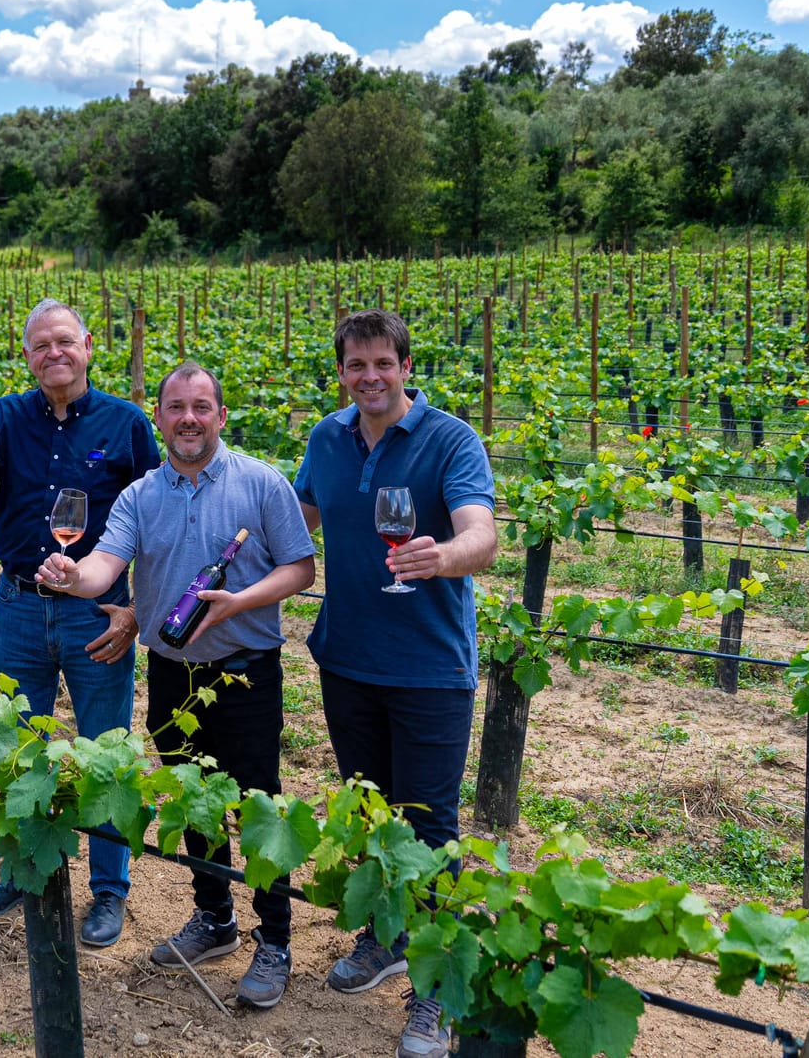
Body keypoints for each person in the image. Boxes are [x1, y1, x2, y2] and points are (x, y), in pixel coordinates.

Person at [36, 363, 315, 1008]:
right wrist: (72, 576)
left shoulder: (261, 483)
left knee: (257, 805)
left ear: (220, 416)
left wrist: (240, 601)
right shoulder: (140, 496)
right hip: (170, 673)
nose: (188, 418)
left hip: (245, 673)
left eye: (200, 407)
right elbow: (106, 564)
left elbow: (300, 568)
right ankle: (215, 919)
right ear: (158, 419)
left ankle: (274, 939)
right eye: (175, 408)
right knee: (192, 799)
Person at [293, 310, 496, 1058]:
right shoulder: (326, 438)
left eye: (383, 363)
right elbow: (297, 515)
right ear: (342, 371)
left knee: (432, 829)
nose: (369, 377)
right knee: (374, 817)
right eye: (356, 365)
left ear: (406, 366)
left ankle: (436, 991)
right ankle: (387, 938)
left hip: (430, 670)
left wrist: (442, 556)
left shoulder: (449, 439)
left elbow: (484, 532)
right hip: (347, 660)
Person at [0, 298, 161, 948]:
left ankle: (109, 892)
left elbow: (155, 519)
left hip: (97, 612)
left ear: (89, 345)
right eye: (41, 345)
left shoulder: (127, 424)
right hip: (16, 605)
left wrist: (136, 608)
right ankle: (23, 871)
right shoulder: (3, 417)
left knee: (104, 753)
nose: (54, 353)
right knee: (15, 747)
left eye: (64, 341)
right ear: (27, 355)